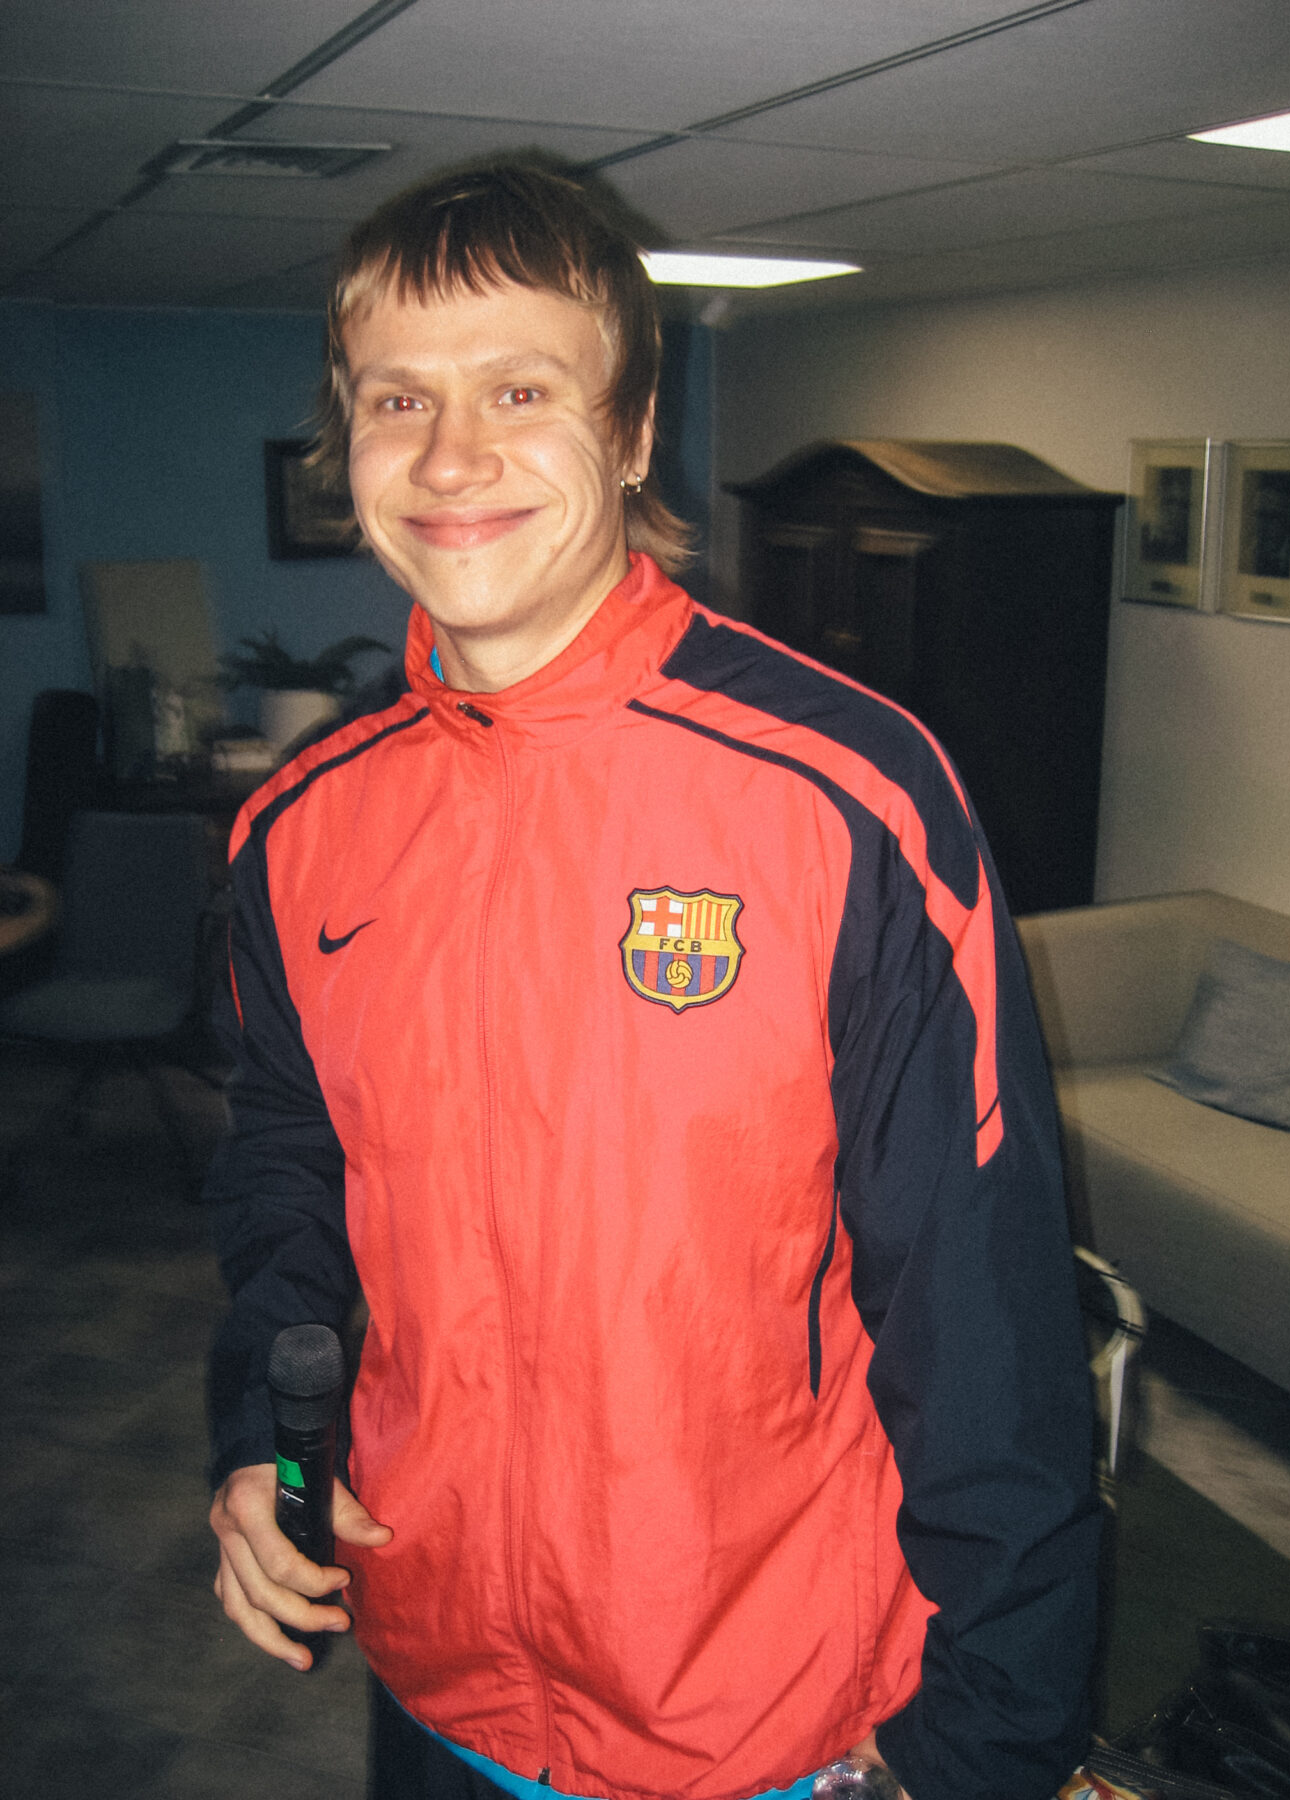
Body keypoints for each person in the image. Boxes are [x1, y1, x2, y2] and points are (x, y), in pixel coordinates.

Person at [206, 156, 1100, 1800]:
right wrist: (267, 1441)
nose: (450, 456)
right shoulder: (296, 828)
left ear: (628, 435)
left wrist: (984, 1740)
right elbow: (287, 1175)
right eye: (398, 398)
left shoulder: (848, 795)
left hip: (763, 1711)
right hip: (435, 1670)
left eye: (519, 390)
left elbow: (982, 1308)